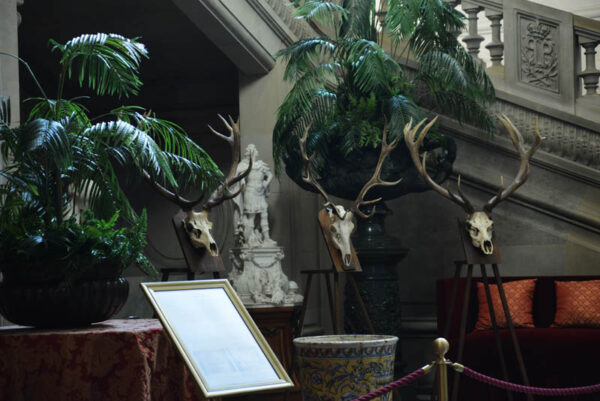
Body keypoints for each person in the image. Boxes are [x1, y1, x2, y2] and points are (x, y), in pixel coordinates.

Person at [232, 144, 276, 247]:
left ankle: (267, 238)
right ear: (252, 153)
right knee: (252, 216)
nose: (257, 151)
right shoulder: (244, 165)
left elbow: (270, 175)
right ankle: (249, 239)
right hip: (250, 192)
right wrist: (242, 184)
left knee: (264, 214)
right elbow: (240, 178)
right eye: (255, 150)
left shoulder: (261, 165)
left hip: (260, 192)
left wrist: (266, 183)